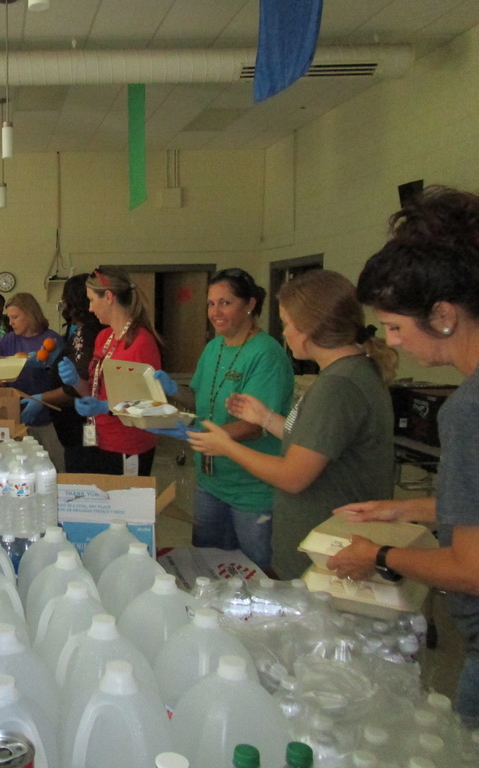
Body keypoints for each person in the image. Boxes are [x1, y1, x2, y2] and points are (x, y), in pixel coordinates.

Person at [326, 185, 479, 726]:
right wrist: (405, 510)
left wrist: (380, 556)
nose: (392, 343)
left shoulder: (468, 410)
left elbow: (471, 567)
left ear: (442, 315)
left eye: (394, 327)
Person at [188, 269, 396, 579]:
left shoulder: (338, 385)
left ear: (311, 327)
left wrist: (226, 446)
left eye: (287, 324)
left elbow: (293, 476)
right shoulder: (349, 373)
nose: (284, 333)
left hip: (328, 551)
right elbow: (314, 442)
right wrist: (266, 418)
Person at [154, 268, 293, 571]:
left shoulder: (265, 355)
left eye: (225, 303)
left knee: (257, 576)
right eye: (210, 304)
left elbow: (254, 426)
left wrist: (200, 436)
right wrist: (172, 391)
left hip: (251, 489)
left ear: (250, 305)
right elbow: (199, 401)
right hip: (210, 482)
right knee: (209, 568)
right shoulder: (214, 348)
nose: (215, 312)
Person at [65, 267, 164, 476]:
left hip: (128, 444)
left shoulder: (140, 343)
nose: (90, 309)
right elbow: (94, 392)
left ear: (108, 297)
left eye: (92, 300)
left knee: (125, 506)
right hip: (100, 440)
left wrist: (104, 407)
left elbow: (149, 406)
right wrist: (76, 382)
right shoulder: (104, 337)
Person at [0, 292, 64, 465]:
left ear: (30, 314)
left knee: (53, 465)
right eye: (9, 317)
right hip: (15, 417)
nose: (10, 322)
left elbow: (67, 385)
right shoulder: (10, 340)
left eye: (15, 317)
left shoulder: (52, 339)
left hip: (48, 418)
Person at [27, 275, 106, 472]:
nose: (62, 306)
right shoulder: (79, 329)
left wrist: (41, 399)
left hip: (84, 430)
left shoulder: (91, 332)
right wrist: (52, 363)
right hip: (72, 432)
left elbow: (79, 386)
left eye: (64, 300)